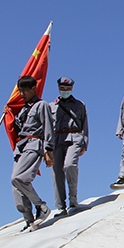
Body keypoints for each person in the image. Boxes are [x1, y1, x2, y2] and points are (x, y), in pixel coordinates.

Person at [7, 75, 54, 231]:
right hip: (21, 146)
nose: (22, 94)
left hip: (34, 144)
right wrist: (9, 115)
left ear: (34, 88)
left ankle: (41, 206)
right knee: (16, 186)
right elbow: (20, 128)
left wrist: (48, 149)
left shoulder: (42, 105)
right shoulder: (23, 109)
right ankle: (28, 219)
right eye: (20, 91)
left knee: (19, 178)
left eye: (25, 90)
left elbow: (48, 127)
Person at [50, 77, 87, 216]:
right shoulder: (51, 106)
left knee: (70, 165)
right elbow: (46, 127)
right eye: (62, 88)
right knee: (57, 173)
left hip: (74, 137)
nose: (65, 91)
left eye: (68, 89)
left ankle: (73, 197)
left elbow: (85, 124)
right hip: (56, 139)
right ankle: (60, 206)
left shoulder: (79, 105)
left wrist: (84, 143)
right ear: (58, 88)